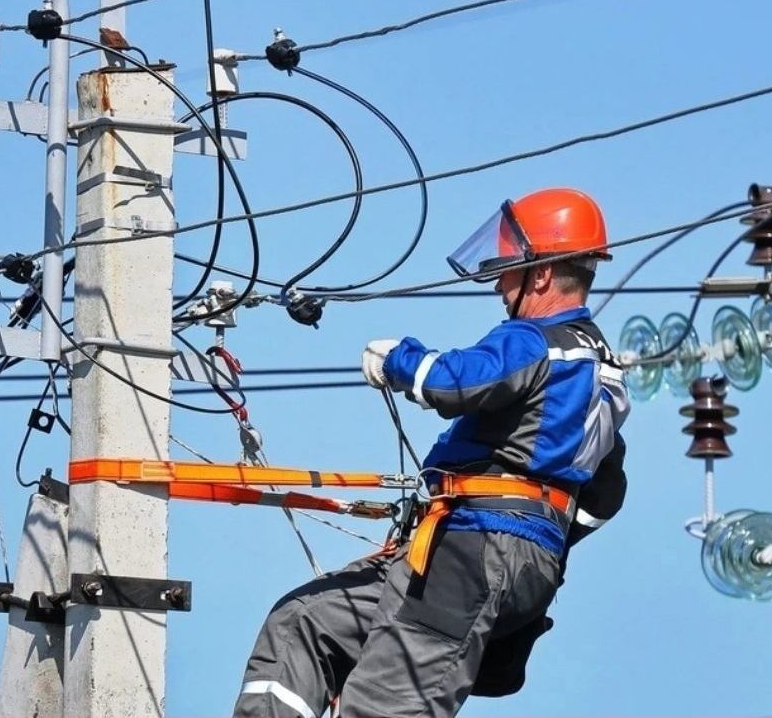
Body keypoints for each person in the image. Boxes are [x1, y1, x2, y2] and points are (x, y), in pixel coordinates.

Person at [233, 188, 631, 718]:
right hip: (491, 554)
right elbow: (603, 498)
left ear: (540, 275)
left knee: (381, 707)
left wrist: (397, 358)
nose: (498, 282)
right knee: (305, 620)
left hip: (474, 553)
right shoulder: (598, 372)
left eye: (508, 269)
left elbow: (451, 382)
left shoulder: (535, 341)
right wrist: (533, 540)